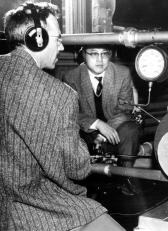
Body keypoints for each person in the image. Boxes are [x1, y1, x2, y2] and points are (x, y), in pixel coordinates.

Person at [0, 2, 125, 230]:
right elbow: (77, 168)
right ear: (37, 38)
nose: (60, 46)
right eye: (57, 38)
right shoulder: (60, 94)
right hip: (33, 207)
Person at [63, 45, 142, 195]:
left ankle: (127, 176)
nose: (100, 59)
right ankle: (80, 184)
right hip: (87, 131)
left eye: (105, 54)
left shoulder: (122, 73)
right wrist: (97, 125)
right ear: (83, 55)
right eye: (93, 54)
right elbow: (71, 112)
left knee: (131, 130)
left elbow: (126, 109)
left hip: (117, 127)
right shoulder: (71, 77)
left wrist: (105, 129)